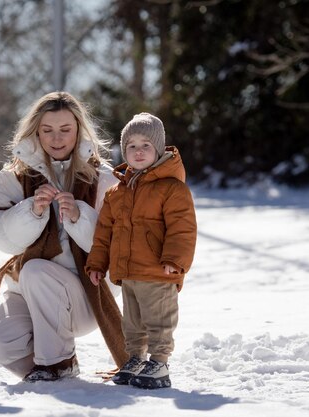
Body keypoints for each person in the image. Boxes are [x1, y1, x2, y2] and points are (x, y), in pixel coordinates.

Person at [0, 91, 129, 382]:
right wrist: (31, 212)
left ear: (78, 131)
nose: (56, 138)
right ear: (36, 131)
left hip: (87, 295)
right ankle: (58, 371)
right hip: (29, 291)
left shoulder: (105, 178)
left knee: (35, 271)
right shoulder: (14, 175)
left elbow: (122, 246)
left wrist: (79, 217)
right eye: (47, 130)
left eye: (65, 130)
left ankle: (56, 363)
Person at [86, 112, 197, 389]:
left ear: (158, 149)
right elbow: (104, 234)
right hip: (128, 272)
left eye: (145, 145)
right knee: (132, 323)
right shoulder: (117, 192)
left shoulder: (172, 188)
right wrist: (97, 264)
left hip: (159, 270)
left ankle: (159, 361)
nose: (138, 151)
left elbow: (182, 228)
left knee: (159, 319)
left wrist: (174, 259)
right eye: (131, 146)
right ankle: (135, 358)